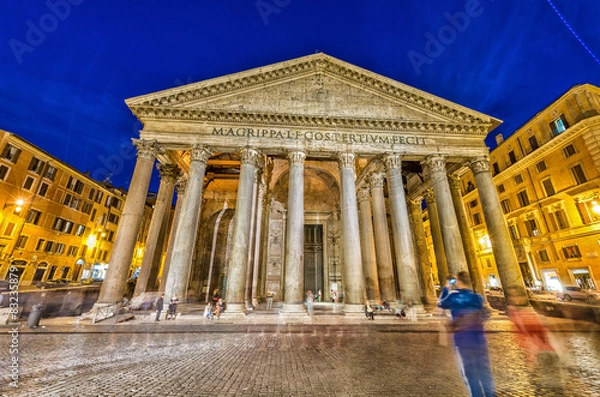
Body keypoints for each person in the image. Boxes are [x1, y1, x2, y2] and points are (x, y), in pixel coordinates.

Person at [438, 271, 496, 397]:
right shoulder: (478, 298)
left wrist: (447, 286)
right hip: (479, 338)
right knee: (485, 371)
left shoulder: (454, 297)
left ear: (458, 282)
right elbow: (485, 315)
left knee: (470, 372)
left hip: (463, 339)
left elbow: (441, 303)